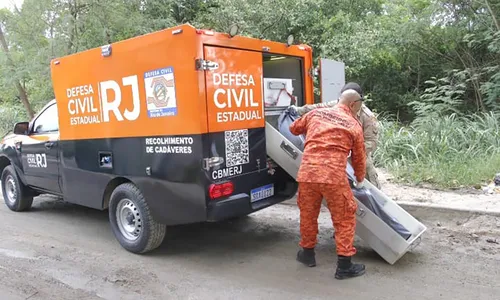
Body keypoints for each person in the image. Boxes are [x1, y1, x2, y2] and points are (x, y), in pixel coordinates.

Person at [289, 89, 367, 280]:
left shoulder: (315, 114)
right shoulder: (353, 125)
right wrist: (360, 177)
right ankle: (344, 266)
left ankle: (307, 254)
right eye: (359, 107)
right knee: (345, 218)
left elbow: (293, 128)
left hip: (307, 174)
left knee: (308, 214)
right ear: (352, 105)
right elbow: (359, 158)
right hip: (333, 177)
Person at [289, 82, 381, 189]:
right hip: (337, 158)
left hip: (359, 157)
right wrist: (298, 110)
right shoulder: (338, 104)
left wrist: (353, 151)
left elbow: (372, 142)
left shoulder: (367, 117)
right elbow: (317, 108)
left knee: (370, 192)